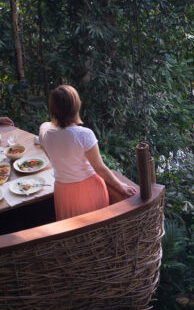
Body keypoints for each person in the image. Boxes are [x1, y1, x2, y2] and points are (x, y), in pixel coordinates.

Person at [39, 84, 137, 221]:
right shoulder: (83, 134)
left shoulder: (44, 130)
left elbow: (50, 155)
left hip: (63, 191)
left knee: (71, 231)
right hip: (88, 190)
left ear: (52, 108)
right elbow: (100, 168)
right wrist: (120, 185)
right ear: (75, 107)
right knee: (96, 229)